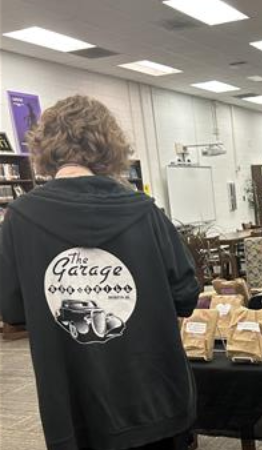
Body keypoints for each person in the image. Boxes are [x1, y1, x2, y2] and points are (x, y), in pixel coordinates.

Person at [0, 95, 200, 450]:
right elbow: (185, 294)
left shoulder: (18, 219)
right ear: (110, 145)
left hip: (75, 408)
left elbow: (12, 311)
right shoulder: (144, 212)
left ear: (44, 146)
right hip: (153, 399)